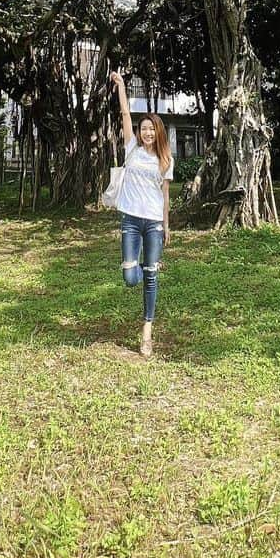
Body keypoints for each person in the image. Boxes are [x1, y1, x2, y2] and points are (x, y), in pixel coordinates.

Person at [109, 70, 173, 358]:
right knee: (130, 277)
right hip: (131, 220)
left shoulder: (165, 159)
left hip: (154, 223)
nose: (147, 133)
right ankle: (140, 267)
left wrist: (167, 226)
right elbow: (124, 113)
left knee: (150, 277)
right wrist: (121, 86)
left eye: (151, 129)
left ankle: (147, 329)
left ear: (158, 132)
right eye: (143, 128)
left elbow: (165, 196)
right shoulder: (131, 148)